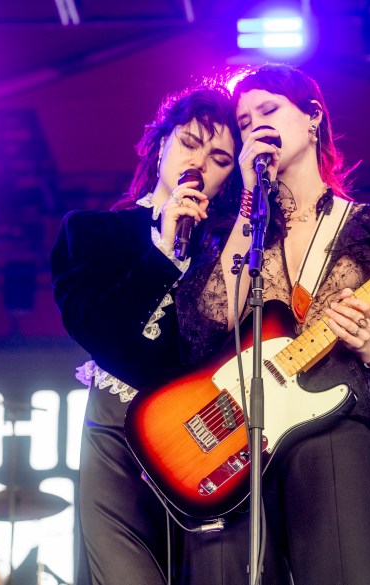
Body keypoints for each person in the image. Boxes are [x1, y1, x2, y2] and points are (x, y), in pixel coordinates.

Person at [173, 64, 370, 584]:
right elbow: (213, 318)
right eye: (245, 121)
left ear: (313, 118)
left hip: (333, 427)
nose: (256, 127)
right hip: (241, 443)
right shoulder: (237, 230)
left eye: (269, 110)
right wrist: (249, 199)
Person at [50, 84, 240, 584]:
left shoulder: (233, 254)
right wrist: (161, 258)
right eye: (189, 142)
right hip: (117, 433)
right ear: (161, 145)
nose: (199, 161)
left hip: (207, 439)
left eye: (219, 157)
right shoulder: (91, 233)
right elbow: (98, 332)